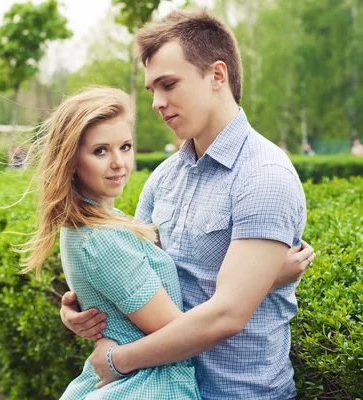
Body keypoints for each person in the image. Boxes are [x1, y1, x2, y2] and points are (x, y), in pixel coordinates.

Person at [60, 9, 316, 400]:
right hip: (161, 388)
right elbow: (139, 272)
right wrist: (82, 305)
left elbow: (227, 316)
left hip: (237, 393)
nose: (156, 103)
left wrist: (116, 360)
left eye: (169, 85)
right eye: (152, 91)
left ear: (217, 75)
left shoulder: (264, 176)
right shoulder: (164, 177)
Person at [20, 87, 202, 399]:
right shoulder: (102, 239)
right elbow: (180, 335)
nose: (119, 162)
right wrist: (263, 278)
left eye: (126, 146)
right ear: (72, 159)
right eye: (101, 151)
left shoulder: (102, 220)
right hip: (150, 387)